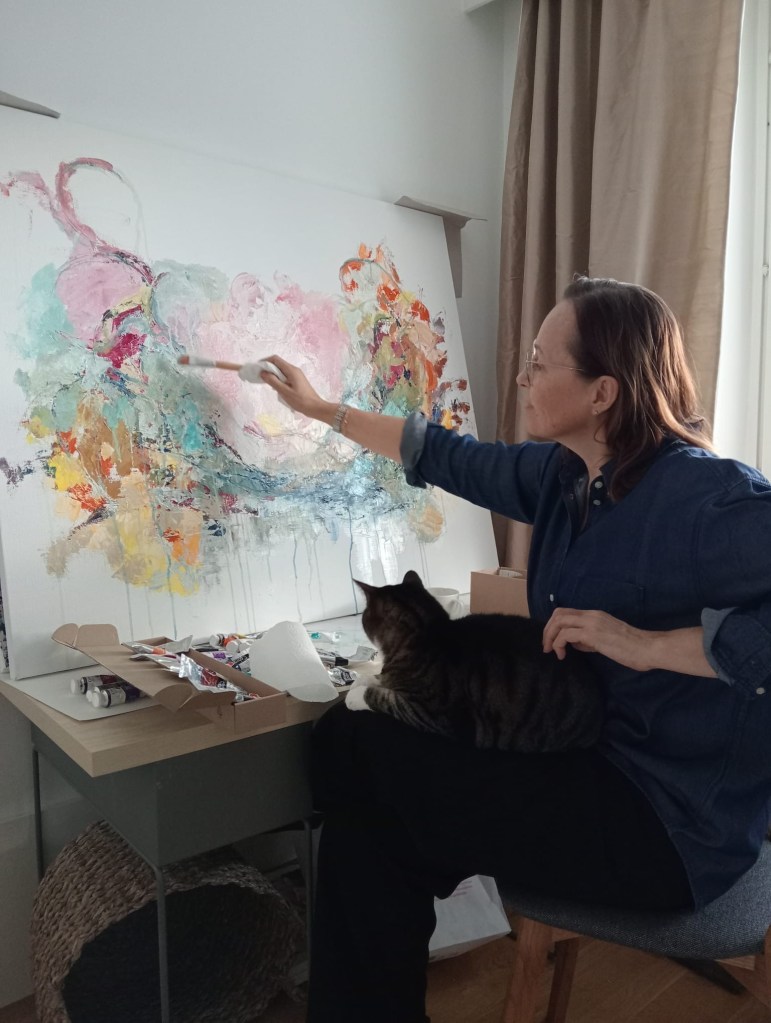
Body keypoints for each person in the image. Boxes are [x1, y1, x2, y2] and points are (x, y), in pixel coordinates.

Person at [260, 276, 771, 1023]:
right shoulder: (566, 476)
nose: (523, 378)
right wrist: (318, 409)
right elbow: (442, 454)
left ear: (601, 392)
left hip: (665, 822)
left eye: (538, 363)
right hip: (579, 761)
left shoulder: (708, 502)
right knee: (362, 803)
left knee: (354, 758)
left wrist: (648, 645)